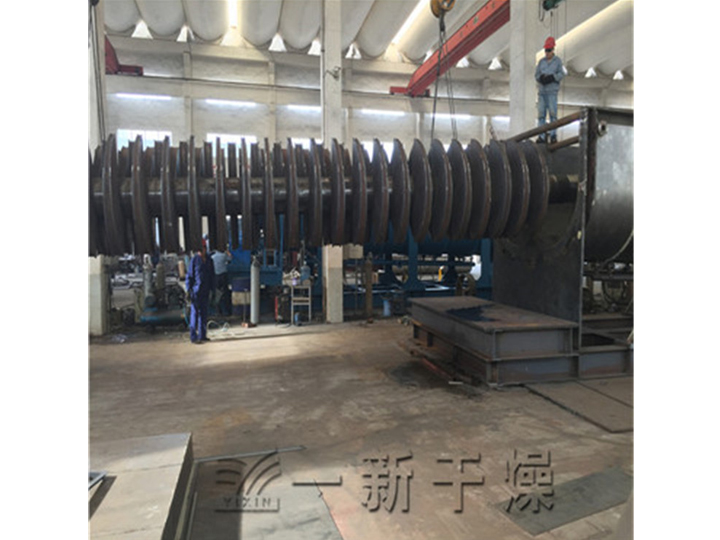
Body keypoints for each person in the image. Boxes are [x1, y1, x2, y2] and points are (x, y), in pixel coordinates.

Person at [535, 36, 565, 144]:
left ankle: (553, 135)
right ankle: (541, 136)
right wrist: (541, 78)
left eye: (548, 50)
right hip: (542, 92)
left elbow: (561, 74)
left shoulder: (558, 62)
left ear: (553, 50)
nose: (546, 53)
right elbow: (536, 75)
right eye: (546, 51)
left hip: (552, 92)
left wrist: (552, 77)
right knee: (541, 115)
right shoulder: (541, 62)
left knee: (553, 114)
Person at [186, 238, 215, 344]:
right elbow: (189, 276)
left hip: (205, 291)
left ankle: (202, 335)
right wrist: (188, 290)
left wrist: (213, 290)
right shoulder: (194, 260)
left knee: (204, 313)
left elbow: (212, 276)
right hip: (196, 292)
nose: (200, 251)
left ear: (205, 248)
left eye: (202, 248)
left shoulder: (209, 261)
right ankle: (193, 337)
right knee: (195, 314)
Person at [211, 246, 233, 317]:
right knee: (226, 293)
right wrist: (228, 252)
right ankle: (228, 311)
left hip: (216, 277)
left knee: (217, 294)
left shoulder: (212, 257)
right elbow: (231, 258)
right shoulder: (223, 256)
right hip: (223, 276)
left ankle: (218, 311)